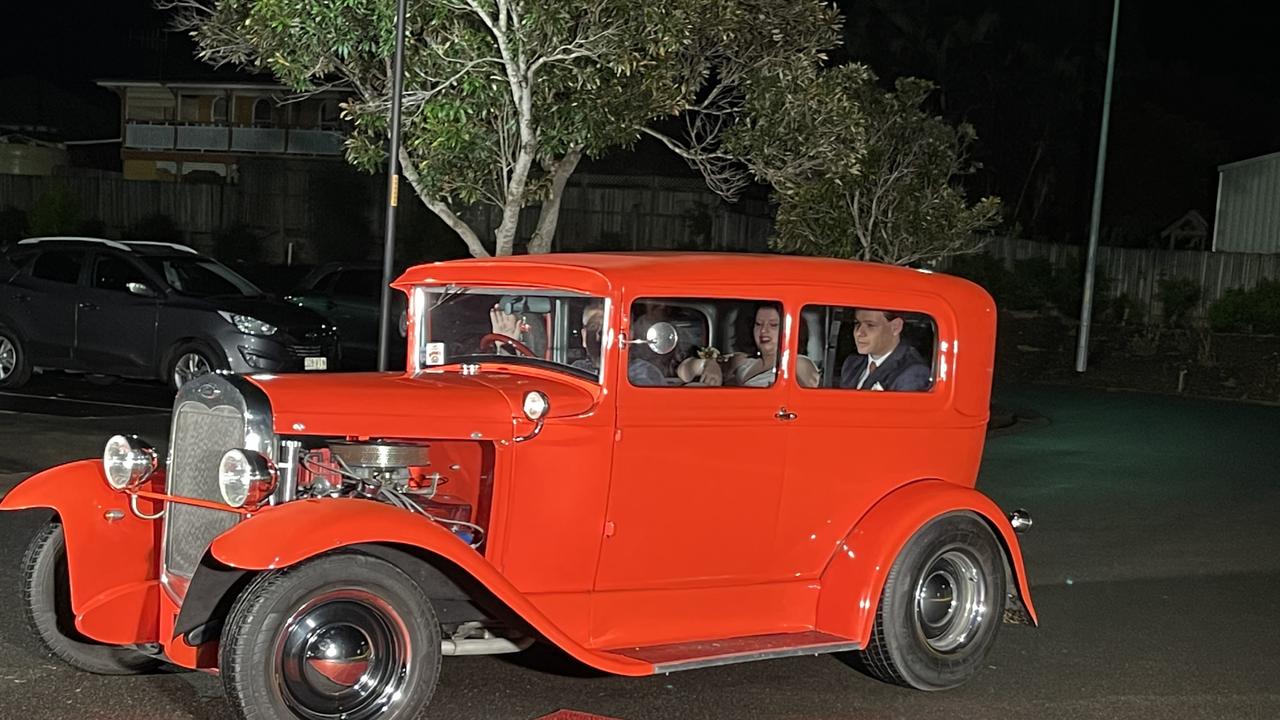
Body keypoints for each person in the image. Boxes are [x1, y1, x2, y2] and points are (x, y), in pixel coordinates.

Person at [677, 305, 819, 388]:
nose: (763, 331)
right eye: (758, 324)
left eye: (773, 325)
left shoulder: (798, 363)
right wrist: (708, 365)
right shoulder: (742, 361)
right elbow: (683, 371)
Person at [838, 308, 930, 391]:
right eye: (857, 323)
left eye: (870, 325)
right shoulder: (852, 364)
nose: (859, 332)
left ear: (895, 327)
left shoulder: (912, 373)